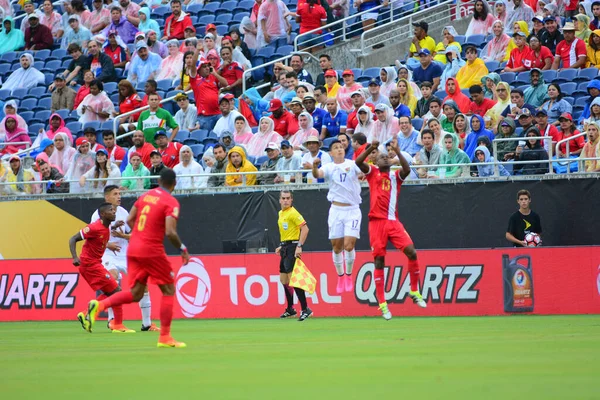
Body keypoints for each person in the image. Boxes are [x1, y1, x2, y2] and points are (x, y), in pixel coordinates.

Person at [82, 169, 190, 348]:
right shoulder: (171, 201)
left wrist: (140, 234)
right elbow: (170, 232)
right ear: (174, 183)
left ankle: (98, 307)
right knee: (169, 290)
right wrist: (182, 248)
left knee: (136, 293)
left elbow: (131, 219)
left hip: (134, 249)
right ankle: (165, 337)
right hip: (151, 249)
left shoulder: (146, 196)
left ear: (159, 181)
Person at [355, 139, 426, 320]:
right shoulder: (372, 172)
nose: (385, 159)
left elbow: (408, 169)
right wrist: (370, 148)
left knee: (412, 252)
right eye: (381, 157)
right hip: (376, 223)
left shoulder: (395, 177)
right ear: (376, 162)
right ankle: (383, 303)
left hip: (393, 222)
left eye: (387, 157)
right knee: (379, 261)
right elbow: (358, 163)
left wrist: (398, 152)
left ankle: (414, 290)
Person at [72, 203, 135, 333]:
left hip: (94, 264)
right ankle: (117, 325)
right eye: (110, 210)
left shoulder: (107, 225)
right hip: (90, 265)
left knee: (110, 293)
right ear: (103, 214)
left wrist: (114, 227)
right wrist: (74, 257)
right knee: (117, 292)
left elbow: (102, 234)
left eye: (113, 210)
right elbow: (73, 239)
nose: (114, 212)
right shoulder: (93, 228)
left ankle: (85, 314)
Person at [311, 139, 362, 293]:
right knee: (337, 247)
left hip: (352, 210)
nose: (339, 149)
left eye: (341, 147)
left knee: (349, 245)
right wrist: (314, 166)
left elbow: (364, 171)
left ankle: (348, 275)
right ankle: (340, 277)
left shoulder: (352, 164)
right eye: (336, 148)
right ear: (331, 153)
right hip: (336, 210)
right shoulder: (329, 167)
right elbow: (318, 174)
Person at [275, 190, 312, 320]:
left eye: (288, 198)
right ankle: (290, 309)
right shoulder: (281, 213)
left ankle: (305, 309)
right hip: (286, 247)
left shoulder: (293, 213)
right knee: (284, 280)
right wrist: (282, 245)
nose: (285, 200)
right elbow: (287, 231)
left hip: (292, 247)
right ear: (279, 200)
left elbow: (305, 229)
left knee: (294, 279)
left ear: (291, 200)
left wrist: (299, 246)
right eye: (283, 198)